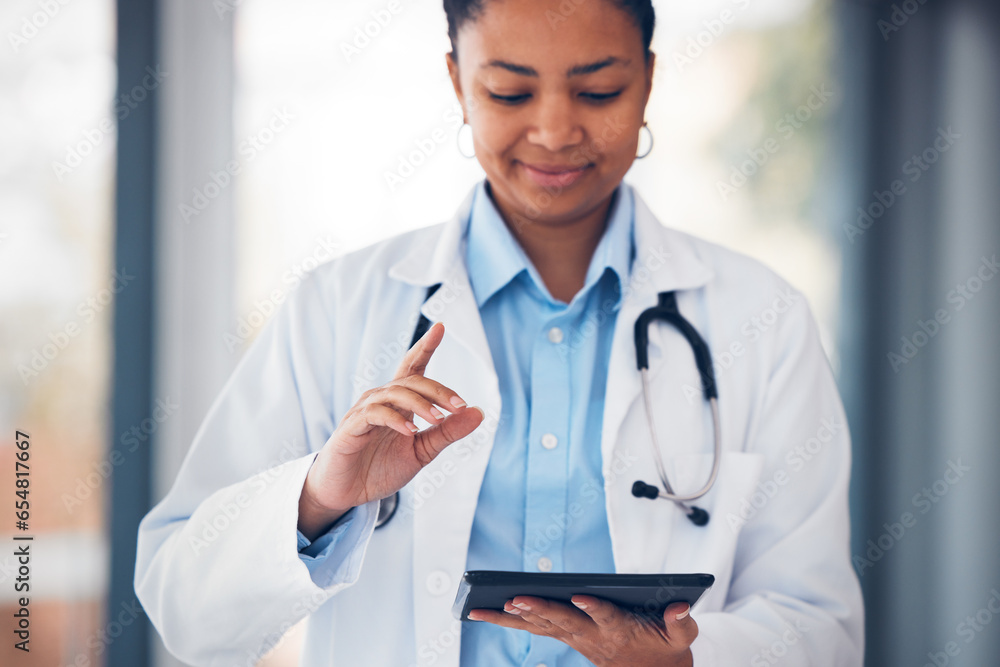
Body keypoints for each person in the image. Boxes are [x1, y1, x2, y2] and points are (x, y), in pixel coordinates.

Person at [134, 0, 864, 665]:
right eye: (509, 92)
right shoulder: (335, 309)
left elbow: (819, 626)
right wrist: (319, 497)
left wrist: (685, 660)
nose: (554, 131)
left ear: (647, 80)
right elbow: (186, 610)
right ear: (457, 82)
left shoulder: (762, 319)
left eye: (599, 90)